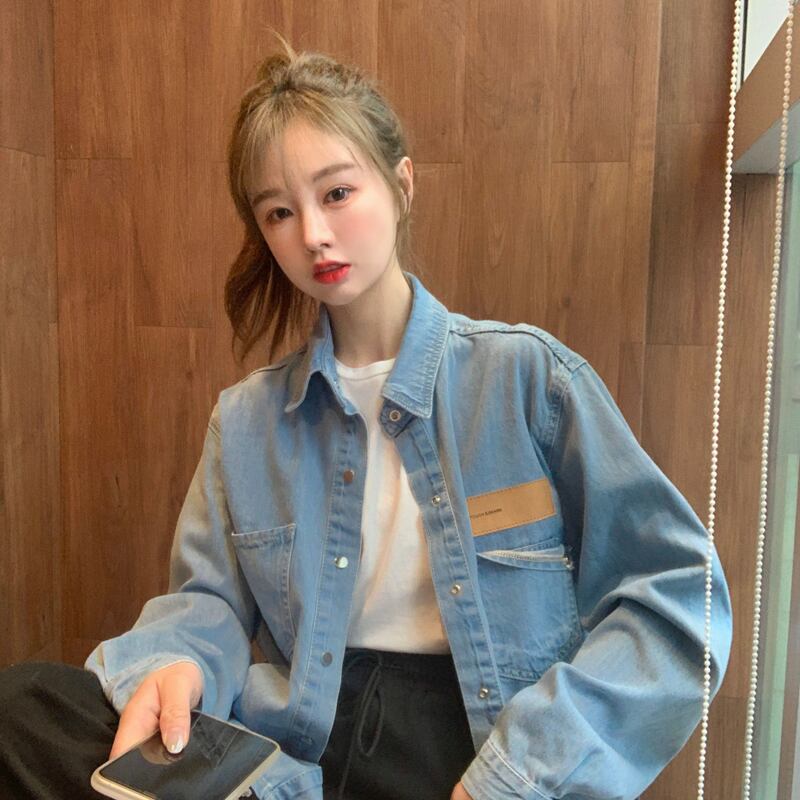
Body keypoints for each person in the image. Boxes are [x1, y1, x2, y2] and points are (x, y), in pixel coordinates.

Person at [0, 32, 733, 800]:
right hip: (299, 762)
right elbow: (205, 603)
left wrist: (522, 773)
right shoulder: (246, 422)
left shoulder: (528, 381)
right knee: (25, 708)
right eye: (279, 212)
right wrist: (177, 663)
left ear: (401, 183)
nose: (313, 235)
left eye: (337, 194)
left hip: (478, 758)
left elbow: (679, 596)